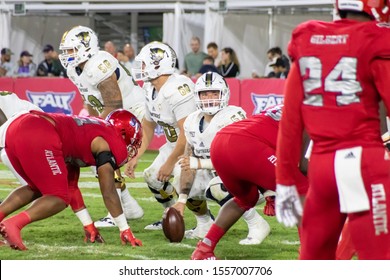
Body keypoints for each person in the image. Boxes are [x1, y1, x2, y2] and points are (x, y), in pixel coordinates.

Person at [275, 0, 390, 260]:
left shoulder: (309, 37)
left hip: (322, 166)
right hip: (364, 163)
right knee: (378, 259)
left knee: (315, 260)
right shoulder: (376, 39)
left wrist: (284, 179)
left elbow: (291, 119)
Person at [0, 109, 143, 250]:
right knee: (59, 198)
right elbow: (109, 192)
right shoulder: (109, 142)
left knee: (36, 187)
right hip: (39, 131)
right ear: (124, 133)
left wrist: (88, 225)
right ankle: (14, 224)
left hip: (16, 127)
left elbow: (71, 185)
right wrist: (125, 229)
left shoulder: (92, 130)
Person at [191, 104, 309, 260]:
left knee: (245, 199)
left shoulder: (288, 105)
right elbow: (303, 164)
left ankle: (204, 249)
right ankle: (309, 255)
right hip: (246, 145)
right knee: (302, 191)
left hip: (221, 142)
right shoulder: (314, 111)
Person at [59, 25, 145, 227]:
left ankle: (117, 212)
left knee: (102, 157)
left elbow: (115, 104)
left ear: (85, 47)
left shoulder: (98, 64)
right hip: (114, 115)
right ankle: (128, 206)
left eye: (71, 50)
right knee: (96, 155)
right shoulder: (74, 68)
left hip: (131, 112)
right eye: (66, 51)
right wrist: (90, 121)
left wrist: (91, 128)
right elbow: (89, 99)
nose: (67, 55)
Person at [173, 72, 270, 245]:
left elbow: (240, 161)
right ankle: (203, 224)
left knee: (217, 186)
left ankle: (256, 223)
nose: (209, 98)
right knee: (180, 175)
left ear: (223, 94)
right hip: (216, 175)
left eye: (214, 93)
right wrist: (181, 201)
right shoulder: (191, 122)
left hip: (248, 180)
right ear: (197, 96)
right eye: (205, 93)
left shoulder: (232, 116)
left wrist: (200, 163)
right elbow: (189, 164)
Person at [125, 41, 196, 230]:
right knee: (152, 177)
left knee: (188, 187)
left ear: (158, 65)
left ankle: (206, 223)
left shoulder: (178, 89)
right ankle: (170, 214)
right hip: (174, 146)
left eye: (145, 63)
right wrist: (136, 155)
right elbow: (148, 126)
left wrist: (170, 163)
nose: (140, 67)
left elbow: (187, 133)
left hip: (195, 148)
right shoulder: (150, 88)